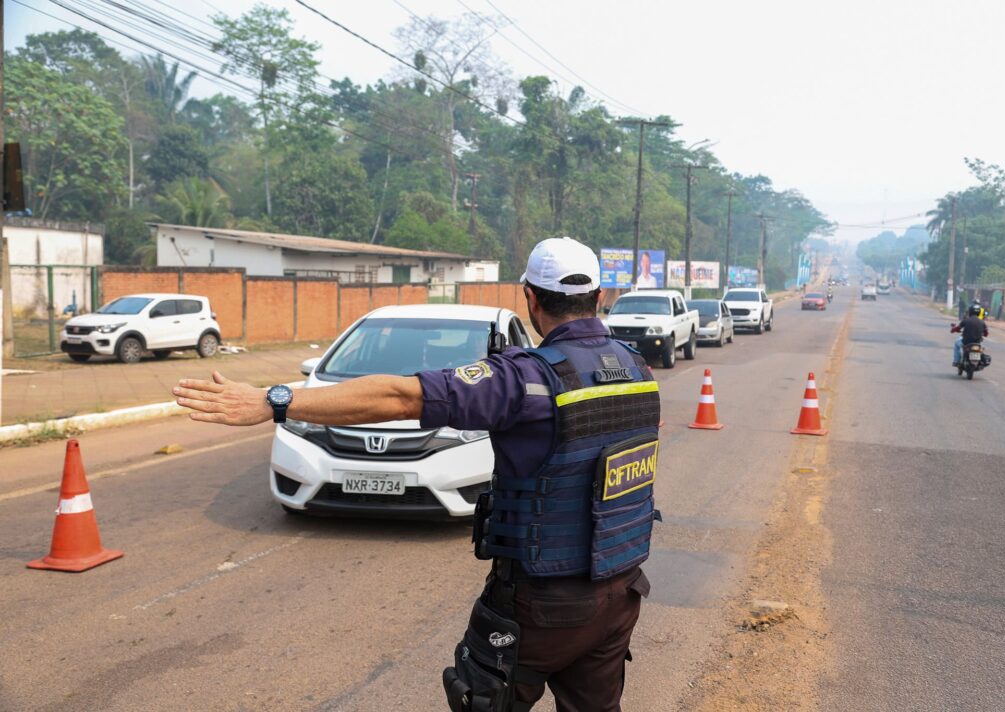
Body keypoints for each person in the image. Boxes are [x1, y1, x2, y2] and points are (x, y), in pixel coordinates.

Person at [172, 236, 659, 712]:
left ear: (529, 298)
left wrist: (274, 401)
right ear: (600, 298)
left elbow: (401, 397)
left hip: (544, 604)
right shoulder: (637, 370)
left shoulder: (525, 378)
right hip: (620, 591)